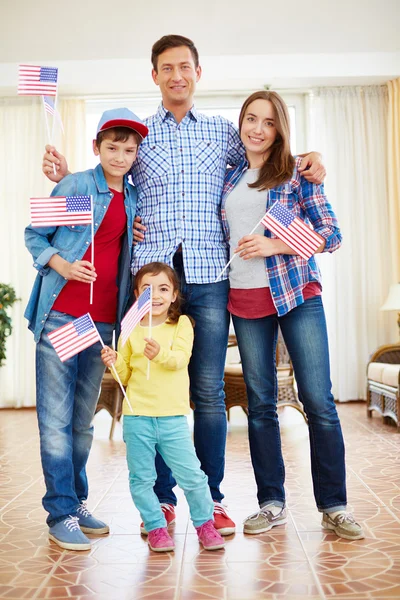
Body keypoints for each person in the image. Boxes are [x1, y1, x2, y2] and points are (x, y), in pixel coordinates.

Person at [41, 34, 326, 536]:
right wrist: (68, 174)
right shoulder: (140, 134)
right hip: (151, 281)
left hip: (212, 276)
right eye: (166, 68)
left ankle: (210, 497)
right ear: (155, 75)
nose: (176, 76)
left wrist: (310, 159)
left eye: (185, 67)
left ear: (198, 73)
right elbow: (110, 180)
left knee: (208, 392)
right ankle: (162, 500)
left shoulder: (222, 131)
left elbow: (267, 151)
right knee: (153, 387)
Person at [220, 90, 364, 540]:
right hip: (244, 298)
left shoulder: (298, 174)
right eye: (250, 119)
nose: (257, 129)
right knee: (261, 406)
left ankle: (335, 506)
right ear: (240, 123)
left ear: (280, 128)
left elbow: (332, 235)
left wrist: (275, 244)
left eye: (268, 121)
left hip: (296, 293)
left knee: (318, 400)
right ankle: (272, 502)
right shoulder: (228, 177)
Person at [25, 108, 149, 551]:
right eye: (112, 147)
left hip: (100, 324)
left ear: (137, 154)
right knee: (56, 422)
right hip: (62, 314)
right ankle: (59, 511)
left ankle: (75, 502)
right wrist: (64, 264)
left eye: (129, 149)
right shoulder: (78, 184)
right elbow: (34, 235)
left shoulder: (132, 198)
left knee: (81, 423)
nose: (120, 156)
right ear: (97, 147)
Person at [101, 262, 225, 552]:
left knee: (192, 476)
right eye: (147, 288)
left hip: (172, 418)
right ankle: (156, 526)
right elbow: (127, 373)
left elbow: (180, 359)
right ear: (136, 294)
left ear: (174, 295)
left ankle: (205, 524)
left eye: (163, 289)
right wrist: (114, 361)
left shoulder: (182, 324)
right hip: (137, 417)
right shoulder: (130, 329)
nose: (155, 295)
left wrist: (159, 354)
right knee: (141, 479)